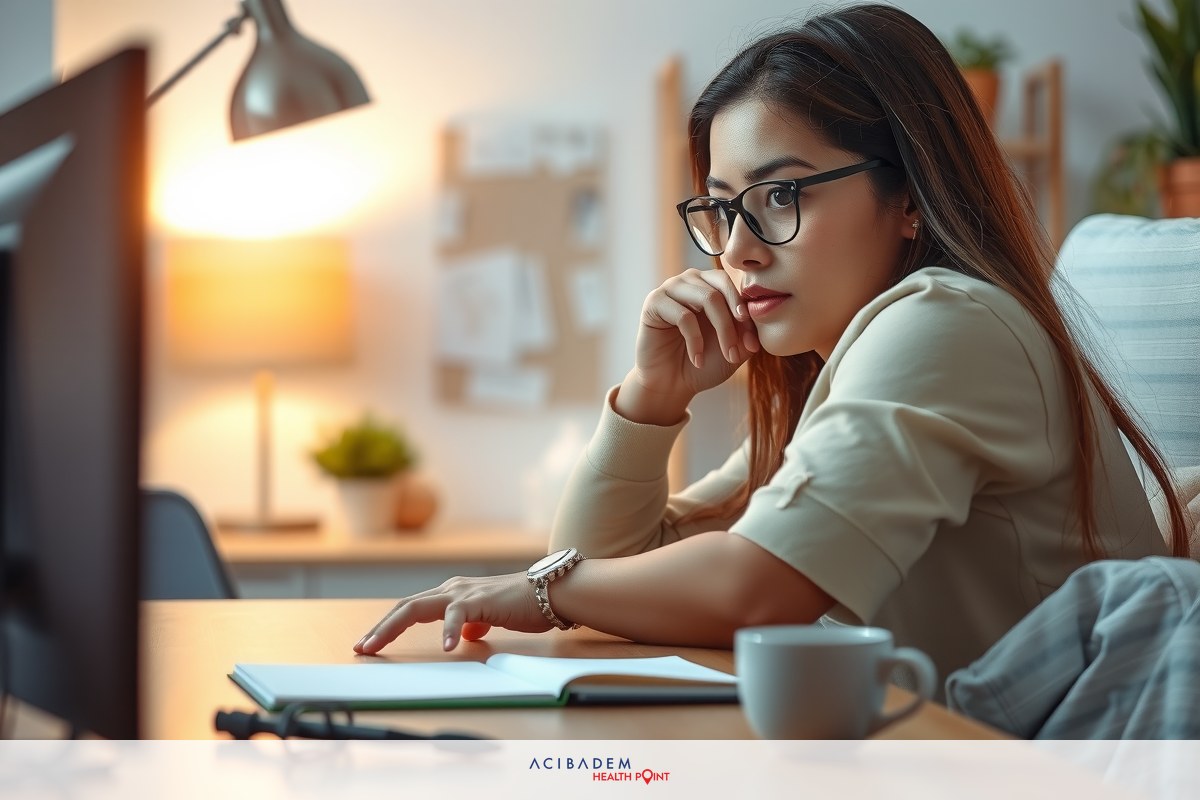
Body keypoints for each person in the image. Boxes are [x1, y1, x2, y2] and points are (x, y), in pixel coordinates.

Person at [355, 4, 1189, 688]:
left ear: (910, 197)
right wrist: (653, 399)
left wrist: (543, 593)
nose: (737, 249)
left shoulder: (949, 322)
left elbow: (758, 585)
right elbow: (613, 570)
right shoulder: (840, 370)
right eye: (722, 207)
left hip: (1030, 767)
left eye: (781, 194)